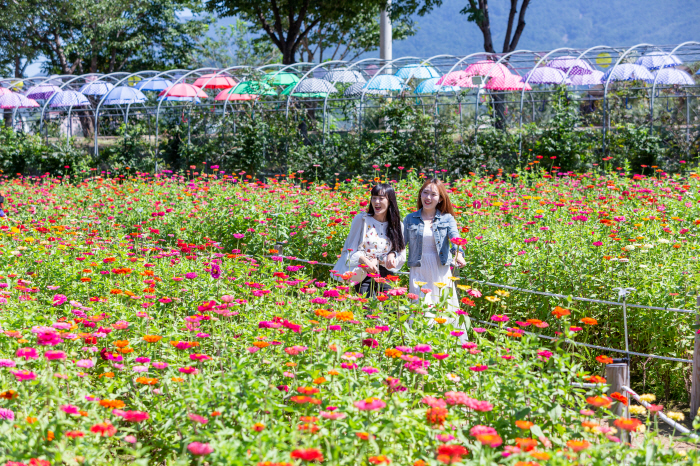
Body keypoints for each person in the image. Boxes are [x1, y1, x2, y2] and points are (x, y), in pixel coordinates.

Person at [403, 178, 466, 333]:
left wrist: (458, 254)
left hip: (440, 269)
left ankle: (446, 344)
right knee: (420, 307)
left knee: (441, 307)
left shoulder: (447, 218)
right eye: (425, 193)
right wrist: (390, 254)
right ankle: (419, 345)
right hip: (418, 268)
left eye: (433, 194)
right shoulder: (410, 218)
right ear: (420, 195)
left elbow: (455, 239)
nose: (428, 197)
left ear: (440, 199)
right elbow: (400, 243)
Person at [332, 183, 406, 297]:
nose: (376, 202)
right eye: (374, 198)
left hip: (386, 275)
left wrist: (387, 257)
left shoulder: (397, 225)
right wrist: (365, 261)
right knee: (365, 310)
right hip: (363, 274)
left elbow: (401, 255)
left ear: (390, 201)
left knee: (389, 310)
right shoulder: (362, 220)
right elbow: (349, 250)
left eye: (381, 198)